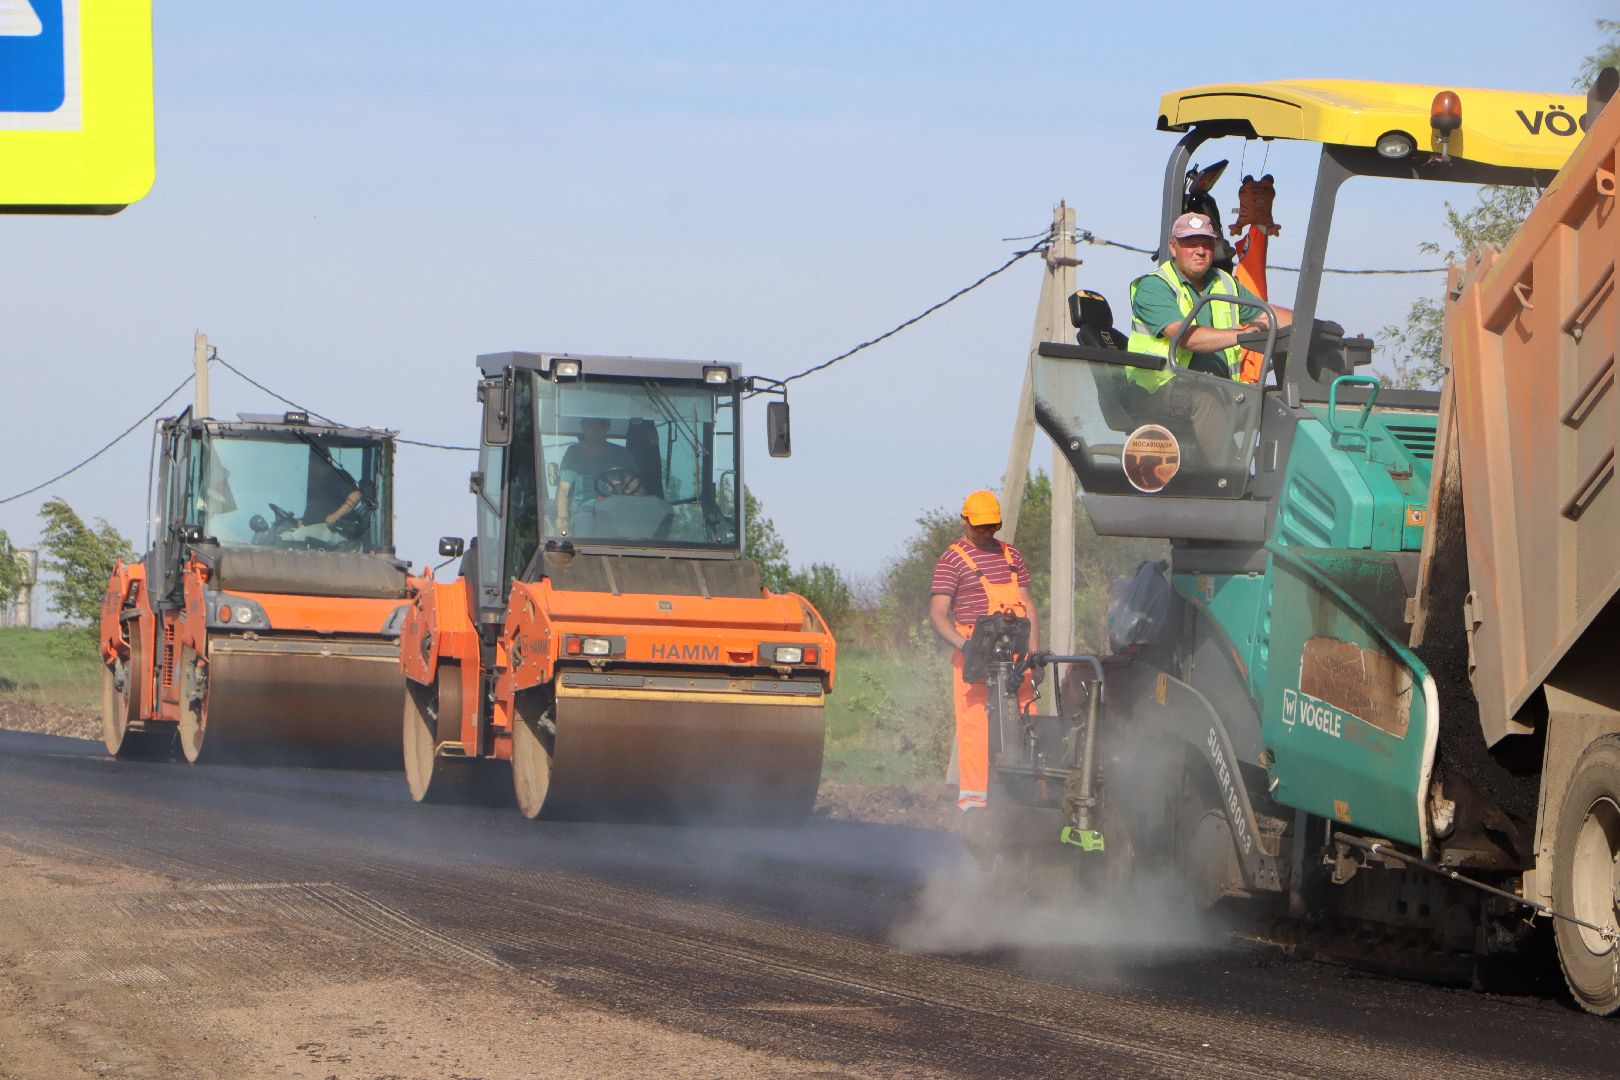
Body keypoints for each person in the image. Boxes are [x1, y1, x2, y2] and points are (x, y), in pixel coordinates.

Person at [1126, 211, 1293, 464]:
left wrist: (1310, 325)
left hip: (1218, 387)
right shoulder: (1154, 287)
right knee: (1205, 400)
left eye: (1206, 243)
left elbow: (1268, 313)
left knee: (1277, 402)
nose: (1200, 250)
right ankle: (1230, 480)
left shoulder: (1223, 282)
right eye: (1190, 243)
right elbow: (1186, 338)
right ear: (1173, 247)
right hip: (1157, 389)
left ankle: (1281, 481)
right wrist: (1245, 334)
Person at [928, 490, 1040, 813]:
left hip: (1015, 653)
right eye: (979, 527)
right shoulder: (952, 559)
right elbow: (938, 614)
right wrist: (966, 646)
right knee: (975, 726)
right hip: (973, 654)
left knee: (1027, 719)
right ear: (965, 521)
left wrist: (1034, 654)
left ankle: (1029, 795)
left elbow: (1027, 605)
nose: (986, 532)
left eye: (992, 526)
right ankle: (975, 804)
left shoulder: (1011, 556)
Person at [556, 417, 641, 537]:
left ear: (608, 427)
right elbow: (564, 489)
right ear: (583, 426)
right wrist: (563, 519)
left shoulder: (622, 454)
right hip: (584, 509)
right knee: (584, 527)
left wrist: (624, 491)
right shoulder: (573, 453)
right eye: (590, 423)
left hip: (616, 509)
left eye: (601, 423)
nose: (595, 428)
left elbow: (636, 488)